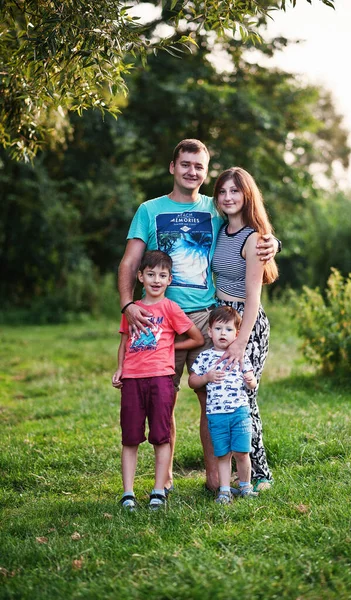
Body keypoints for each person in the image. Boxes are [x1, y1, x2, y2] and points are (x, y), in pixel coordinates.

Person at [118, 139, 280, 492]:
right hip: (163, 322)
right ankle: (167, 477)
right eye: (186, 164)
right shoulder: (149, 210)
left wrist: (273, 242)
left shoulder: (214, 207)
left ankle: (215, 477)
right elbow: (130, 262)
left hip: (208, 317)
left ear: (205, 173)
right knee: (165, 396)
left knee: (216, 395)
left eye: (199, 167)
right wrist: (128, 304)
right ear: (173, 167)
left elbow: (248, 220)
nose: (192, 171)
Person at [112, 250, 204, 511]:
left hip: (162, 378)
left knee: (161, 436)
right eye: (150, 274)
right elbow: (123, 342)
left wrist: (167, 346)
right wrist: (119, 368)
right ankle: (127, 493)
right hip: (132, 379)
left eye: (162, 275)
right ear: (140, 276)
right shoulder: (132, 310)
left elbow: (196, 338)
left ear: (169, 279)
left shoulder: (170, 309)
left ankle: (158, 491)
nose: (156, 280)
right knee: (130, 437)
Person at [211, 166, 279, 492]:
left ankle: (260, 473)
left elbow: (253, 297)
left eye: (234, 191)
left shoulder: (254, 239)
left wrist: (240, 342)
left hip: (245, 321)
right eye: (222, 191)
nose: (227, 197)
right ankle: (236, 475)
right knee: (226, 396)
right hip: (221, 316)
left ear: (246, 194)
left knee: (245, 398)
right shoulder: (221, 230)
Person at [188, 306, 259, 504]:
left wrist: (249, 379)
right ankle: (225, 490)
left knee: (242, 452)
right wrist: (207, 377)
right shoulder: (205, 357)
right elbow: (192, 381)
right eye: (218, 329)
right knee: (223, 454)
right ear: (210, 332)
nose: (222, 333)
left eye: (228, 330)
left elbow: (252, 385)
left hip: (239, 412)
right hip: (216, 415)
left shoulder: (240, 356)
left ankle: (246, 486)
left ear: (236, 334)